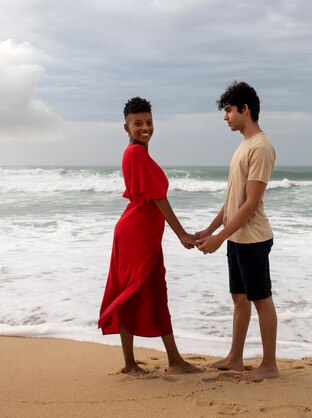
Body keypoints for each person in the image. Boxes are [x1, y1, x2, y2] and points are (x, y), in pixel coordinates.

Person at [98, 97, 200, 375]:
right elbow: (158, 198)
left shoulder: (139, 153)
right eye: (138, 123)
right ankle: (131, 363)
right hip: (136, 234)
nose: (145, 128)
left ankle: (174, 360)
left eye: (149, 122)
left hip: (143, 233)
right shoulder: (136, 154)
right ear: (126, 127)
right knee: (132, 292)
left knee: (156, 291)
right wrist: (182, 234)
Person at [196, 81, 278, 381]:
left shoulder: (262, 147)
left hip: (253, 239)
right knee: (239, 299)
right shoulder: (242, 146)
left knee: (261, 300)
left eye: (229, 110)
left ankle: (269, 365)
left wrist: (219, 238)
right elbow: (232, 200)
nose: (225, 117)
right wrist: (211, 229)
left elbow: (251, 203)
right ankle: (235, 358)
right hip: (237, 237)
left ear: (245, 109)